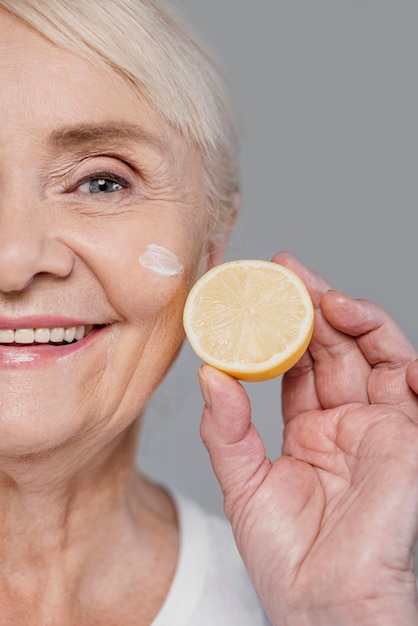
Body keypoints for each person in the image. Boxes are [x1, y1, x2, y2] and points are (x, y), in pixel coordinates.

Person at [0, 1, 417, 624]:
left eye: (102, 182)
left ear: (210, 245)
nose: (13, 259)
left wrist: (348, 614)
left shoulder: (301, 596)